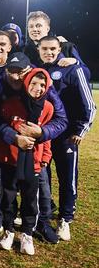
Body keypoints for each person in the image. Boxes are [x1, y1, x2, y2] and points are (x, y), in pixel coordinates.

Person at [0, 52, 67, 245]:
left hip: (36, 155)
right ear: (5, 70)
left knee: (39, 191)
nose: (15, 77)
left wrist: (42, 132)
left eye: (20, 72)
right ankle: (4, 226)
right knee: (7, 191)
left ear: (28, 71)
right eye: (11, 72)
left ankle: (41, 225)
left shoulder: (44, 92)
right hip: (9, 153)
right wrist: (14, 138)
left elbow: (61, 120)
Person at [38, 36, 95, 241]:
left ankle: (65, 218)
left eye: (53, 48)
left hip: (67, 135)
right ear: (39, 50)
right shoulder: (40, 69)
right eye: (44, 49)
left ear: (60, 48)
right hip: (44, 135)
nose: (49, 52)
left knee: (67, 177)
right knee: (43, 177)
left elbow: (89, 105)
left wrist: (81, 131)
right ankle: (44, 212)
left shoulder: (73, 69)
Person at [0, 69, 54, 255]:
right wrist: (5, 152)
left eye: (42, 85)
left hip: (33, 161)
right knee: (9, 198)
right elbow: (0, 128)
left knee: (30, 200)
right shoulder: (11, 105)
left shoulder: (48, 108)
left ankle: (27, 234)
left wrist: (45, 157)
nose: (38, 88)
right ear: (26, 83)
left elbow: (47, 136)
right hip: (11, 160)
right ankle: (10, 231)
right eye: (34, 84)